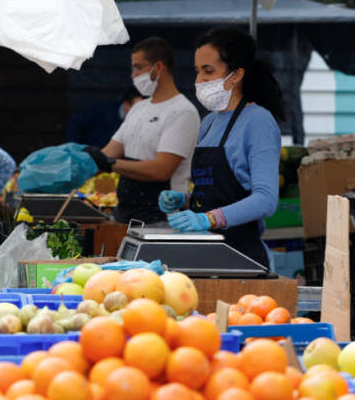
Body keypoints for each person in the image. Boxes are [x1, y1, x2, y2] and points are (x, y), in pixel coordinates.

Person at [159, 27, 283, 269]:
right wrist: (187, 201)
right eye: (197, 71)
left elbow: (265, 200)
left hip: (242, 259)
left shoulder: (258, 121)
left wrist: (209, 219)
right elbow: (216, 193)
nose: (199, 81)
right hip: (204, 253)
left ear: (236, 75)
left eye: (208, 71)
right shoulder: (209, 122)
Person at [86, 37, 200, 224]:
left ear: (159, 67)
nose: (133, 75)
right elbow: (107, 153)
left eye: (138, 67)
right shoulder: (138, 108)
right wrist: (74, 163)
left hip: (163, 220)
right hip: (125, 216)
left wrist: (110, 164)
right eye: (132, 68)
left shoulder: (183, 111)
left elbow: (162, 170)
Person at [65, 88, 143, 147]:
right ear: (126, 104)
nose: (140, 111)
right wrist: (78, 150)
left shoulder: (141, 121)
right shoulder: (99, 110)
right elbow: (75, 124)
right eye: (137, 107)